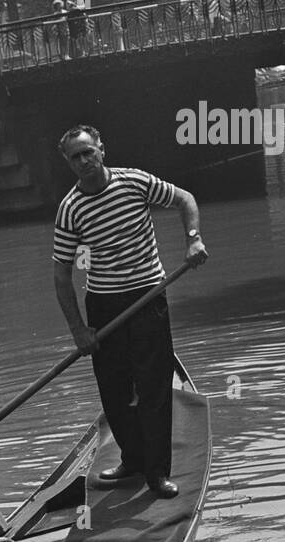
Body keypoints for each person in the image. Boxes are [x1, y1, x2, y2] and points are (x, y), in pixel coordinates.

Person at [52, 124, 208, 499]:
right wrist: (79, 330)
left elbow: (184, 199)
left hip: (147, 296)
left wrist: (193, 239)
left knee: (154, 387)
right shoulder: (70, 208)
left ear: (101, 149)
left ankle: (157, 473)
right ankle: (133, 460)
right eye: (76, 156)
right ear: (68, 163)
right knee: (115, 391)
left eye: (89, 151)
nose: (84, 160)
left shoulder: (135, 182)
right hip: (104, 306)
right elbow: (61, 274)